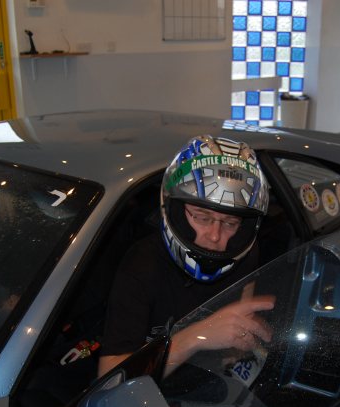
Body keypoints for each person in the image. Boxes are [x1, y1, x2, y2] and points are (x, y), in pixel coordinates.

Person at [98, 135, 276, 377]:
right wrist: (198, 336)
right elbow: (108, 376)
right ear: (175, 209)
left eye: (231, 223)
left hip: (201, 378)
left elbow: (238, 337)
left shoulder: (245, 252)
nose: (215, 236)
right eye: (202, 218)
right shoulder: (142, 264)